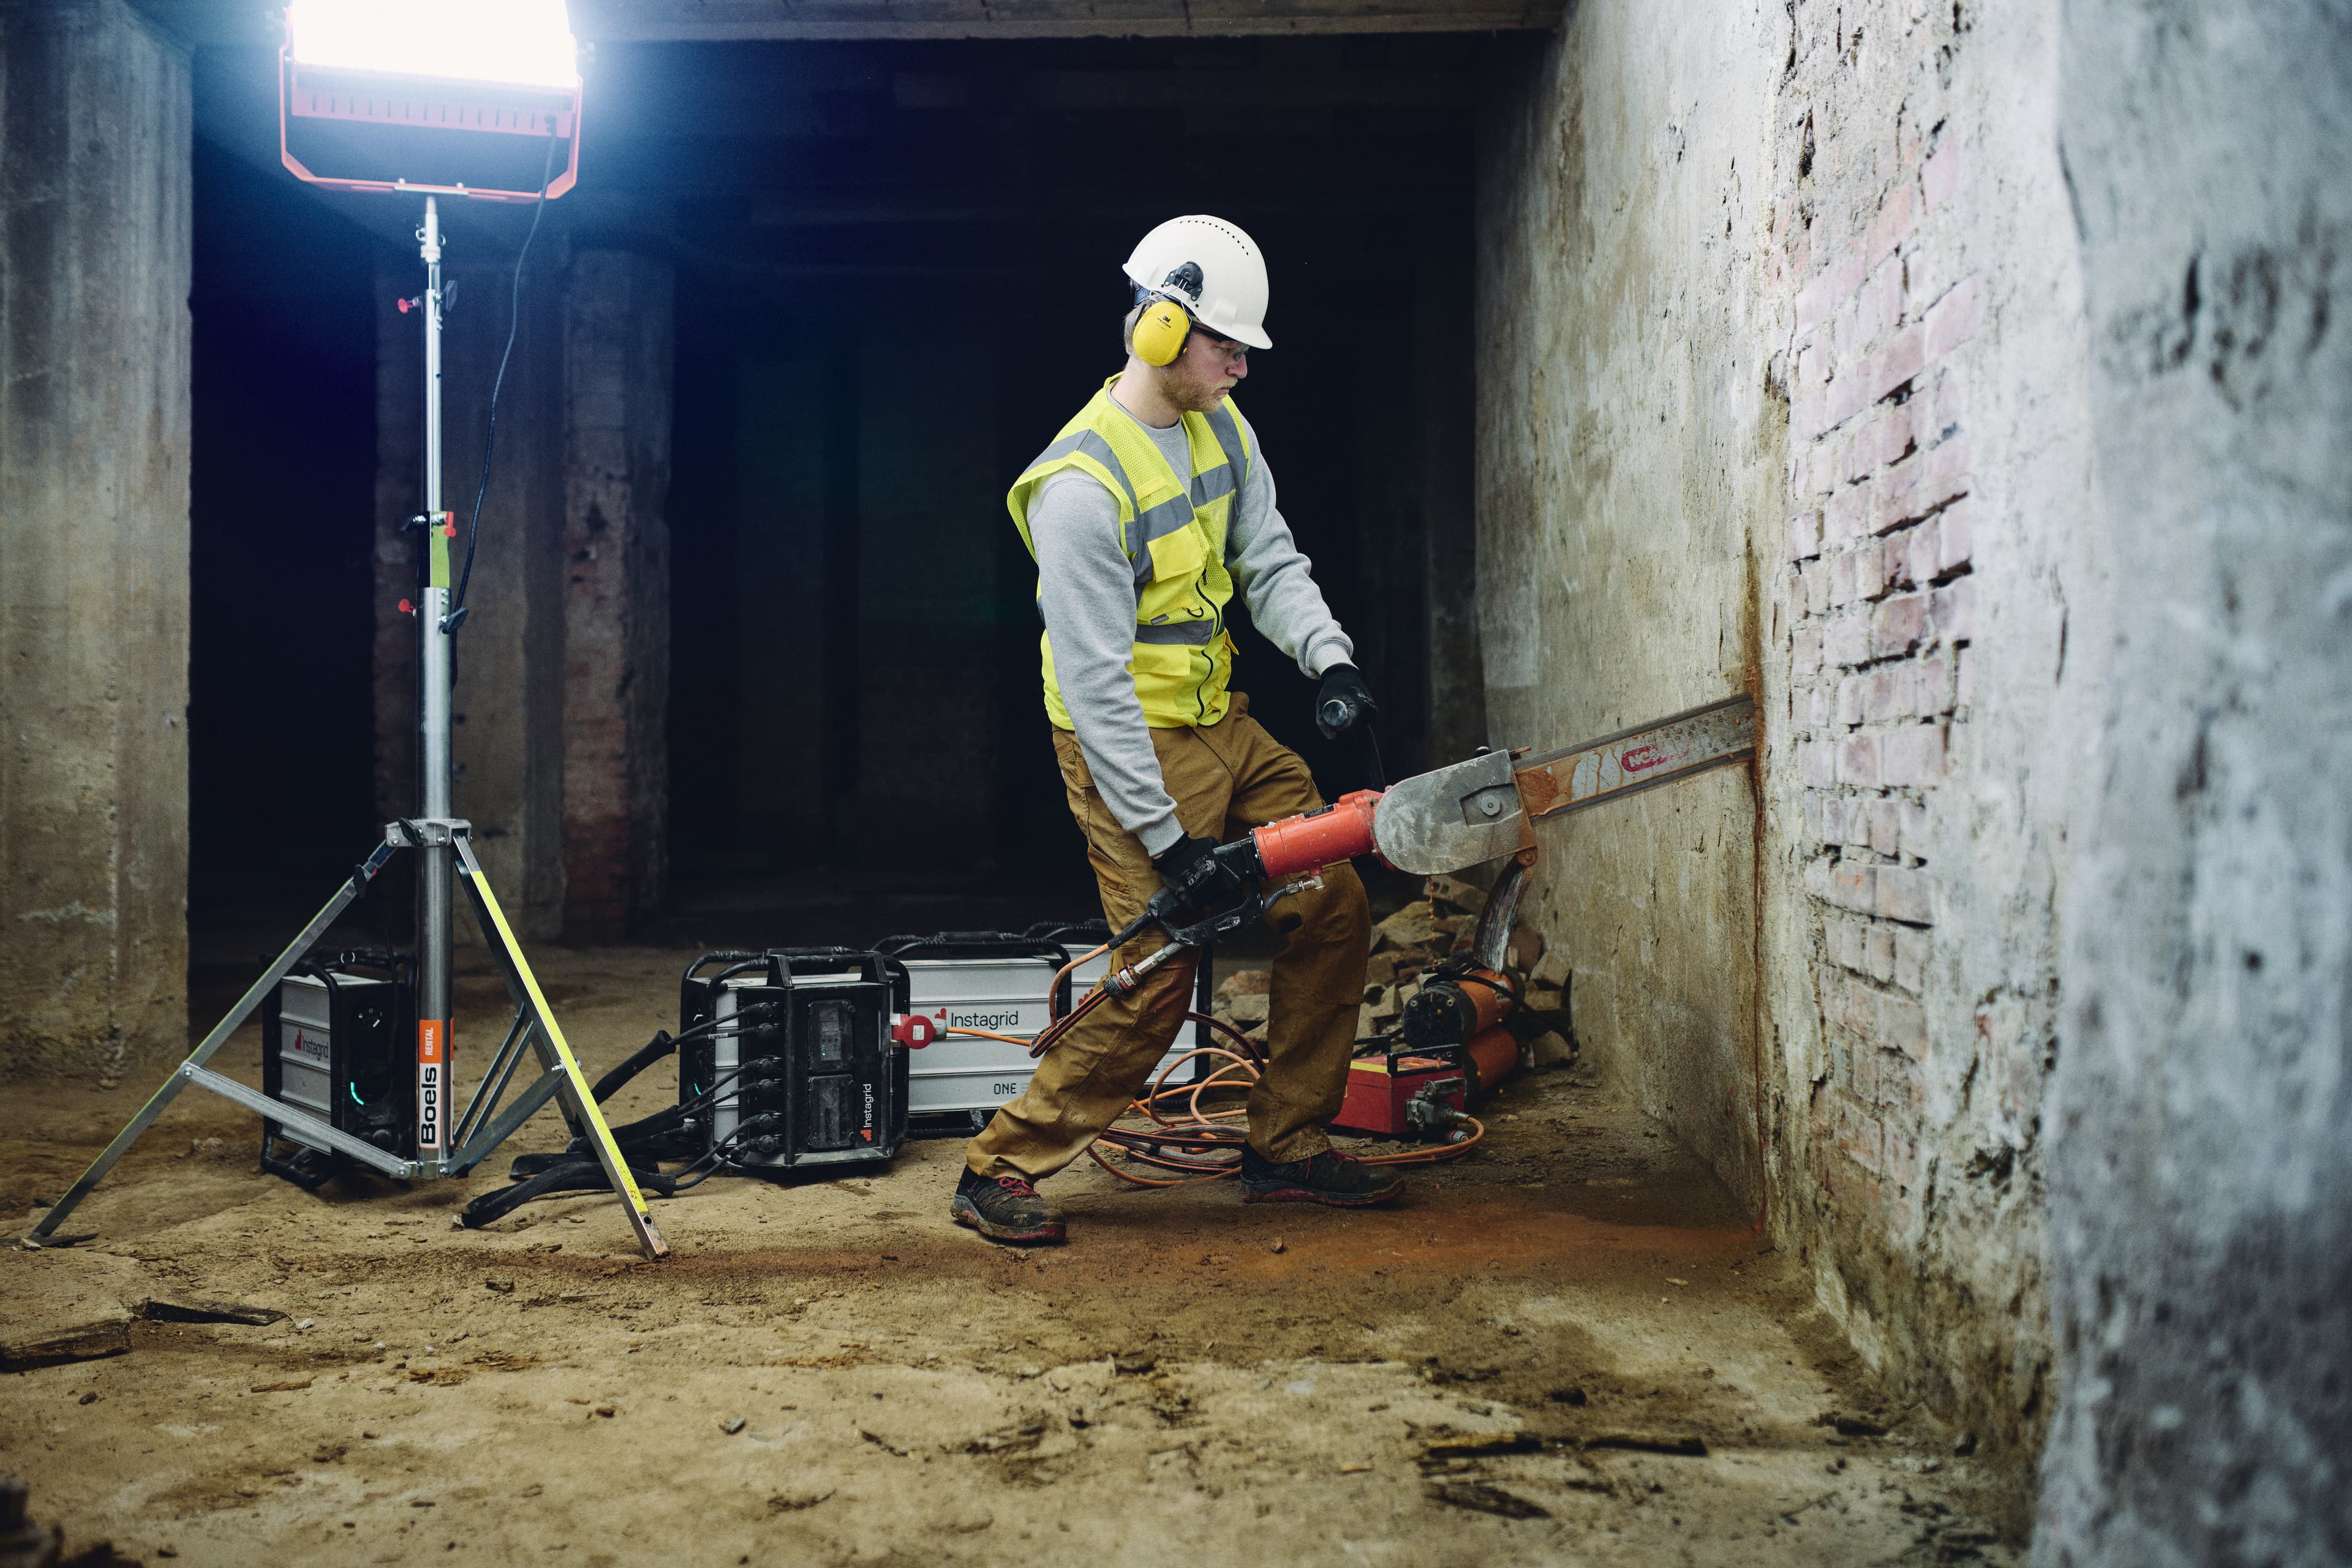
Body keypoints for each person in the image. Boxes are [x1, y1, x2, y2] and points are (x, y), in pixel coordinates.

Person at [951, 214, 1401, 1246]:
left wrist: (1329, 662)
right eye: (1226, 346)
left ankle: (1285, 1148)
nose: (1241, 368)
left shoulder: (1221, 428)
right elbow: (1097, 685)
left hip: (1222, 725)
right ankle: (998, 1166)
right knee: (1160, 975)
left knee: (1332, 904)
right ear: (1157, 329)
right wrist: (1170, 844)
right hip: (1130, 750)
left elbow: (1269, 558)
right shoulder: (1079, 488)